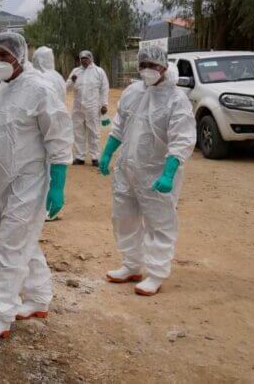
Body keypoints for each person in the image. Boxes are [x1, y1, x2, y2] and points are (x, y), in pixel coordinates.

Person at [0, 32, 73, 341]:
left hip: (28, 182)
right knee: (12, 241)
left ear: (21, 56)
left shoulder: (39, 90)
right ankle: (39, 296)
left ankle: (1, 313)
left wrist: (58, 184)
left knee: (12, 244)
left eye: (5, 56)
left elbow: (58, 136)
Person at [98, 45, 196, 296]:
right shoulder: (133, 92)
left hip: (156, 172)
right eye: (143, 66)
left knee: (159, 223)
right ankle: (131, 265)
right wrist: (108, 151)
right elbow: (120, 125)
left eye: (153, 66)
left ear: (163, 66)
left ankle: (156, 273)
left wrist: (169, 172)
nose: (147, 70)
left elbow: (182, 139)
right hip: (128, 170)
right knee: (123, 218)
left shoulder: (176, 99)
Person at [67, 50, 109, 166]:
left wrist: (104, 104)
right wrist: (72, 81)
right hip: (78, 107)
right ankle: (79, 157)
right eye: (82, 59)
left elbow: (104, 88)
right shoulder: (75, 72)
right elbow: (67, 89)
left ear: (91, 59)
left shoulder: (99, 72)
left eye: (86, 58)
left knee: (94, 132)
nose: (84, 60)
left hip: (93, 107)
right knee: (78, 132)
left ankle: (95, 157)